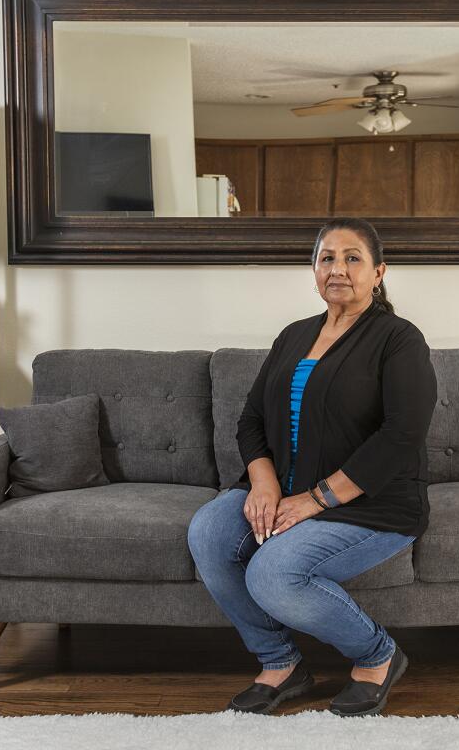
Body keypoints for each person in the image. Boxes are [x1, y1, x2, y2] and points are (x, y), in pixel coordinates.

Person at [187, 217, 437, 718]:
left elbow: (401, 435)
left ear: (378, 272)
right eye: (327, 258)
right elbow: (252, 419)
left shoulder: (399, 339)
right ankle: (280, 662)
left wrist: (315, 499)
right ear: (314, 271)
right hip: (284, 487)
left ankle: (377, 657)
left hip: (370, 503)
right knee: (209, 532)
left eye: (352, 258)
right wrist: (262, 484)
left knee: (272, 575)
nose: (338, 268)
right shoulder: (294, 335)